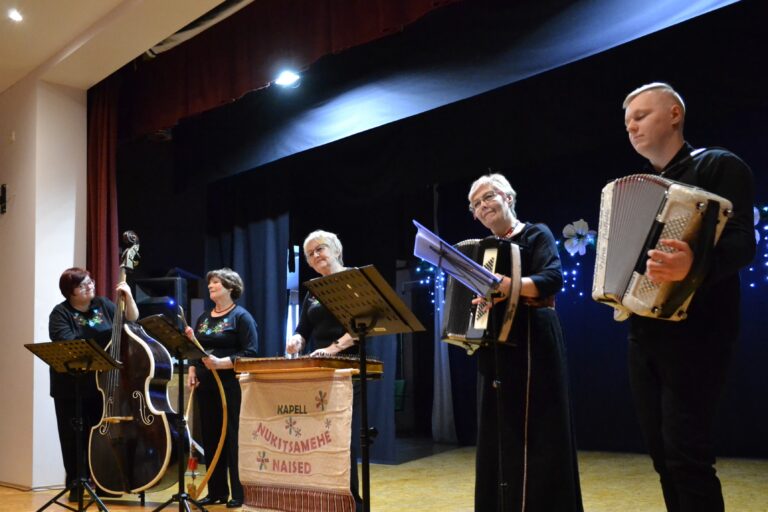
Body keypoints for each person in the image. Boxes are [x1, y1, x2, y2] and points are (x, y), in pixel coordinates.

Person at [621, 82, 755, 512]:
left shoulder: (717, 165)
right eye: (627, 123)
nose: (632, 127)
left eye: (641, 116)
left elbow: (743, 244)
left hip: (700, 332)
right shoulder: (639, 188)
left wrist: (693, 266)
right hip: (644, 334)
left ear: (675, 114)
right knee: (663, 457)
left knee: (686, 455)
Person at [467, 174, 583, 511]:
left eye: (488, 197)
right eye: (475, 205)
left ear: (508, 197)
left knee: (539, 431)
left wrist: (508, 285)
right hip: (496, 346)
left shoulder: (536, 234)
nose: (482, 206)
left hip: (534, 340)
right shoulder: (483, 251)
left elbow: (552, 279)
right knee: (498, 432)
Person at [285, 230, 362, 510]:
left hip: (348, 369)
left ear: (336, 249)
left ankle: (350, 502)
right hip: (319, 371)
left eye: (320, 249)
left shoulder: (354, 279)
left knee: (341, 439)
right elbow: (303, 329)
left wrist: (332, 349)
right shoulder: (314, 290)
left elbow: (362, 325)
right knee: (320, 439)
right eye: (310, 253)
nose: (316, 255)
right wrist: (296, 340)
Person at [48, 267, 139, 502]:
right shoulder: (60, 313)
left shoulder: (103, 304)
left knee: (100, 437)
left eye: (90, 281)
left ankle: (104, 482)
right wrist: (108, 335)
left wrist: (128, 298)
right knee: (73, 438)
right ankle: (76, 485)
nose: (89, 286)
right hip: (70, 388)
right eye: (82, 285)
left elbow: (131, 320)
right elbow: (69, 343)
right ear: (70, 292)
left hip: (102, 385)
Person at [185, 268, 259, 509]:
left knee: (233, 438)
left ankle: (238, 492)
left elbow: (251, 353)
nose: (210, 286)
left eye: (216, 282)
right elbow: (196, 347)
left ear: (230, 288)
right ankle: (216, 491)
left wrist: (222, 363)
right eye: (210, 283)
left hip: (231, 385)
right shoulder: (203, 318)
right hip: (206, 385)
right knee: (211, 437)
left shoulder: (242, 317)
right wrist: (193, 368)